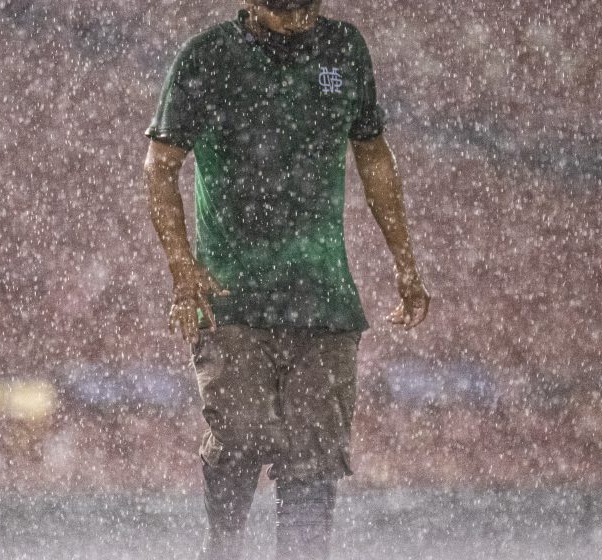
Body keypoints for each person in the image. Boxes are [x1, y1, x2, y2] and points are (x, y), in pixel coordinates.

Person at [143, 1, 429, 558]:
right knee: (239, 439)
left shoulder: (345, 49)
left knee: (315, 459)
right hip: (231, 295)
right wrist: (183, 268)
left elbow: (373, 154)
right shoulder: (208, 56)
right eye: (285, 13)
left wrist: (405, 260)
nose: (298, 23)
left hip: (323, 300)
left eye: (306, 11)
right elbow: (160, 163)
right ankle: (223, 545)